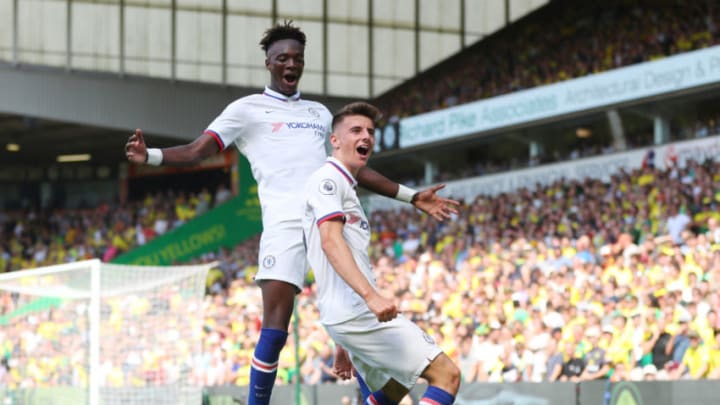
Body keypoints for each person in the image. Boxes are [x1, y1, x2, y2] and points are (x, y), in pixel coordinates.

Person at [124, 21, 458, 405]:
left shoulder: (320, 114)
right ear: (268, 63)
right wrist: (149, 156)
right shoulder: (247, 109)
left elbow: (356, 169)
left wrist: (412, 197)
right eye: (282, 57)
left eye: (297, 58)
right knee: (276, 327)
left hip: (326, 221)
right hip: (283, 224)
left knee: (360, 322)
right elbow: (200, 150)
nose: (290, 63)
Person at [302, 101, 460, 405]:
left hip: (349, 316)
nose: (367, 137)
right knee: (447, 375)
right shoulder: (327, 180)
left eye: (371, 132)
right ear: (334, 140)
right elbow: (330, 243)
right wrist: (370, 298)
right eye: (356, 130)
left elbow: (337, 260)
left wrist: (342, 341)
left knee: (395, 388)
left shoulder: (344, 185)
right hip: (357, 312)